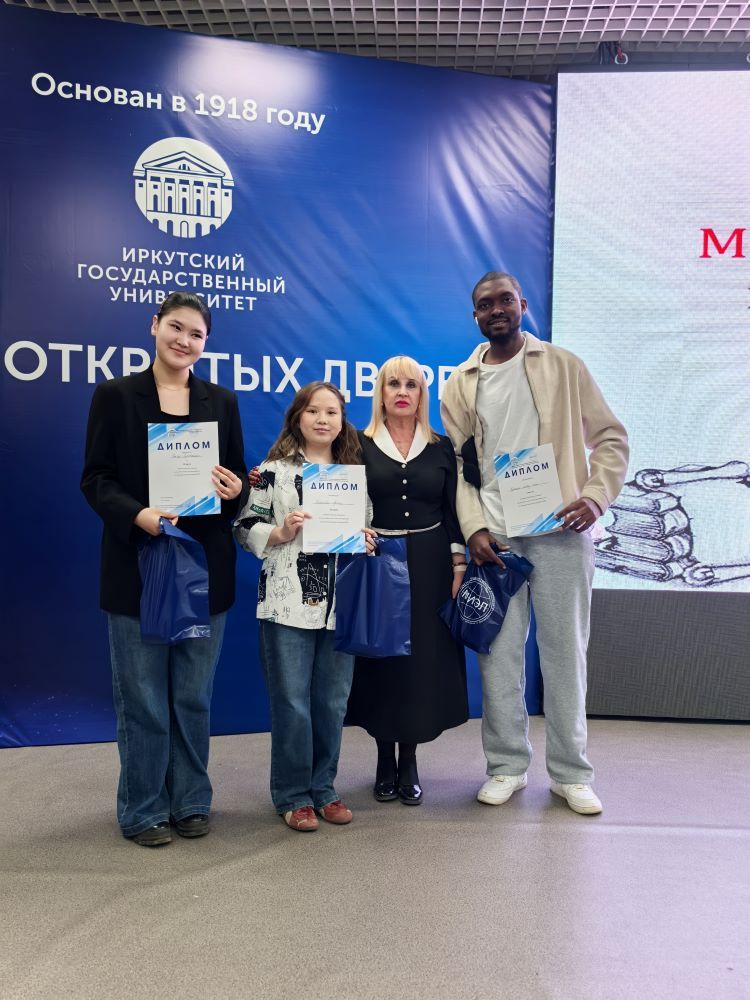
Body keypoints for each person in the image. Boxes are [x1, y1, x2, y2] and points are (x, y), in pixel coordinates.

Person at [440, 272, 629, 815]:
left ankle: (572, 774)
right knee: (498, 658)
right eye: (485, 304)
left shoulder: (564, 366)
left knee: (565, 656)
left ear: (522, 304)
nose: (496, 310)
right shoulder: (460, 383)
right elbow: (461, 468)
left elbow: (611, 438)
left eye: (505, 300)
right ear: (475, 316)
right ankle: (506, 766)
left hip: (561, 534)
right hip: (496, 539)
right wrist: (474, 528)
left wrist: (595, 497)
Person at [81, 292, 247, 847]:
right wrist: (139, 515)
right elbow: (96, 479)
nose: (184, 340)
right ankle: (143, 808)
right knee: (144, 699)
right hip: (138, 564)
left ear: (206, 344)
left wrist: (235, 489)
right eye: (176, 327)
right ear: (154, 326)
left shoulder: (222, 401)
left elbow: (236, 481)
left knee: (193, 696)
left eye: (196, 334)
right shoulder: (115, 395)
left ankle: (191, 801)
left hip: (204, 567)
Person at [234, 382, 375, 832]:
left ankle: (324, 789)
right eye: (313, 410)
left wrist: (367, 539)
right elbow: (244, 525)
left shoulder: (353, 474)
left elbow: (365, 526)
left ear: (342, 421)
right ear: (297, 417)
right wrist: (279, 532)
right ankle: (294, 795)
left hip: (340, 605)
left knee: (332, 703)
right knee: (292, 703)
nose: (322, 419)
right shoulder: (270, 472)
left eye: (331, 412)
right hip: (286, 604)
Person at [346, 356, 469, 805]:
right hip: (376, 561)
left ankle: (410, 760)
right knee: (383, 659)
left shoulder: (440, 447)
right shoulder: (357, 444)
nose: (402, 392)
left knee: (419, 662)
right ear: (380, 392)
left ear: (422, 394)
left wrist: (458, 565)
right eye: (393, 383)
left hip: (431, 563)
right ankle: (384, 758)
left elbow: (454, 510)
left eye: (411, 385)